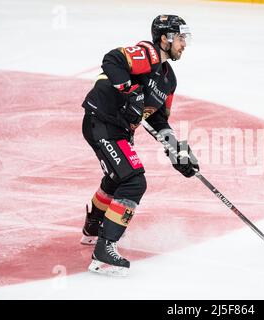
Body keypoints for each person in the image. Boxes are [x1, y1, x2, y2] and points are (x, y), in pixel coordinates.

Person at [80, 14, 199, 276]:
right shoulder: (147, 53)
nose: (184, 44)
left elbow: (157, 118)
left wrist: (174, 149)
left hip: (117, 130)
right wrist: (130, 90)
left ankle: (92, 228)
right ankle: (104, 251)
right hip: (101, 122)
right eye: (180, 37)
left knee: (116, 179)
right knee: (134, 181)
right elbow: (112, 60)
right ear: (165, 38)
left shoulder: (169, 80)